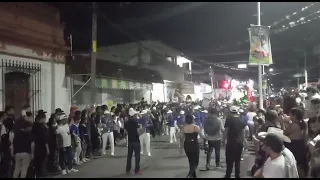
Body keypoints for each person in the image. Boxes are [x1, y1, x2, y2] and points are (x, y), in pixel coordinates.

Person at [180, 113, 206, 178]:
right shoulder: (195, 127)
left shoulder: (184, 128)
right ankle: (189, 174)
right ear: (192, 119)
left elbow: (181, 138)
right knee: (196, 163)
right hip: (194, 145)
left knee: (191, 161)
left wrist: (181, 148)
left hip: (187, 145)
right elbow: (202, 136)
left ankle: (194, 176)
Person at [284, 108, 308, 177]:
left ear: (294, 116)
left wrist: (283, 123)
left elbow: (284, 133)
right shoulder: (303, 124)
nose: (289, 116)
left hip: (293, 145)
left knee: (294, 164)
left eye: (290, 115)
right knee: (300, 165)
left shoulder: (293, 125)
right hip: (300, 144)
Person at [223, 106, 245, 178]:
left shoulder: (229, 120)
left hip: (231, 143)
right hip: (239, 143)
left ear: (230, 112)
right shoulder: (241, 121)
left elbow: (226, 131)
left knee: (229, 161)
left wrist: (223, 140)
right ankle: (237, 175)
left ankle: (228, 175)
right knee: (237, 160)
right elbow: (243, 133)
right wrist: (244, 142)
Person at [32, 110, 49, 178]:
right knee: (42, 164)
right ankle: (41, 175)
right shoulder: (42, 128)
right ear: (42, 119)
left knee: (37, 164)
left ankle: (37, 175)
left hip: (35, 147)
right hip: (42, 148)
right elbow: (45, 139)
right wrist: (47, 149)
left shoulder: (33, 126)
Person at [125, 108, 142, 175]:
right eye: (135, 114)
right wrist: (141, 132)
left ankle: (128, 168)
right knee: (137, 156)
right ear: (133, 115)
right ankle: (137, 170)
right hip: (136, 141)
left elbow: (126, 132)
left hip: (130, 141)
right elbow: (138, 132)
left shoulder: (127, 122)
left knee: (129, 156)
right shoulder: (136, 122)